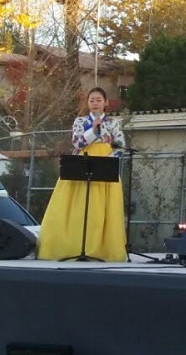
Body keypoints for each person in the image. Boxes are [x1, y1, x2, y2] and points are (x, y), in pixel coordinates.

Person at [37, 87, 127, 262]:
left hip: (105, 167)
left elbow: (121, 146)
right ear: (87, 103)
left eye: (99, 100)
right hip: (82, 164)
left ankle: (101, 249)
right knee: (77, 207)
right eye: (92, 100)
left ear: (106, 102)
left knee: (101, 209)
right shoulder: (80, 121)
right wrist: (93, 130)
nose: (95, 103)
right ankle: (73, 246)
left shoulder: (113, 123)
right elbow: (77, 143)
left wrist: (110, 160)